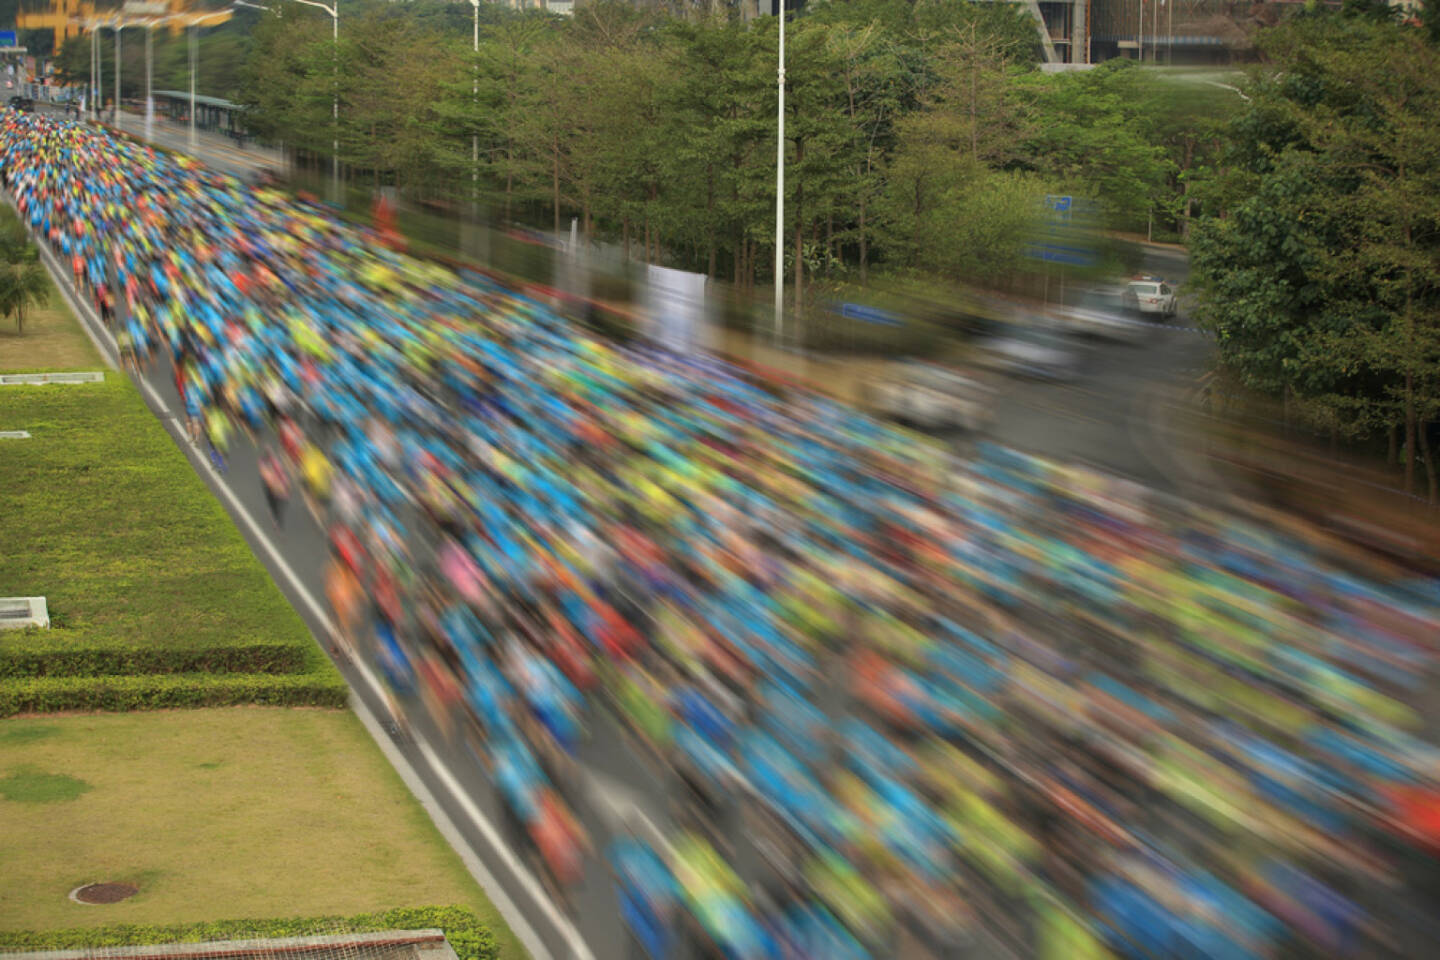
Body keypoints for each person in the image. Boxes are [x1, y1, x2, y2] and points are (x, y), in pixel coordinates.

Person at [259, 447, 291, 530]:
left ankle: (277, 518)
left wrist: (284, 484)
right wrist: (276, 487)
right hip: (271, 486)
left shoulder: (274, 462)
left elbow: (281, 472)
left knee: (280, 503)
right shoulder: (263, 464)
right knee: (273, 502)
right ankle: (276, 519)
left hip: (277, 484)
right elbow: (267, 478)